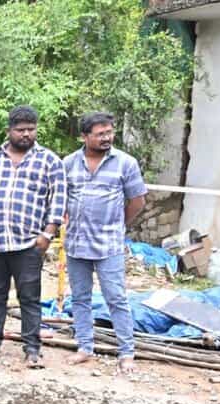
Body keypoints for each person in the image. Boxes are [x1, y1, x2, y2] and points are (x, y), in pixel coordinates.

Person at [0, 105, 67, 368]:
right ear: (9, 130)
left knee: (29, 297)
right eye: (20, 130)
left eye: (31, 130)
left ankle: (32, 347)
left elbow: (57, 202)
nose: (26, 135)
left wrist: (47, 236)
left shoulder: (49, 161)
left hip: (29, 243)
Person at [63, 111, 147, 375]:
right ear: (84, 136)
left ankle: (126, 353)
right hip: (76, 243)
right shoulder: (68, 163)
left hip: (109, 244)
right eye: (100, 134)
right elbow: (60, 198)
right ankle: (85, 348)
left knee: (116, 298)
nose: (107, 138)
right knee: (80, 298)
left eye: (109, 132)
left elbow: (137, 201)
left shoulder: (126, 163)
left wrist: (119, 225)